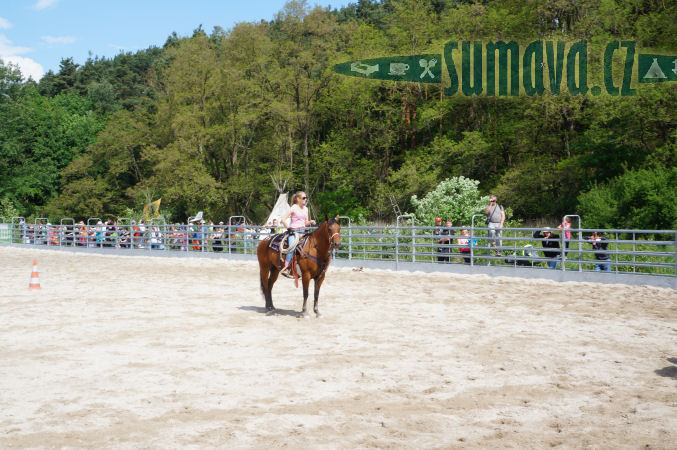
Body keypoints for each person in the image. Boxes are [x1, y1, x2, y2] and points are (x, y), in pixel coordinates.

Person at [279, 191, 316, 277]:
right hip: (294, 232)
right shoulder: (293, 208)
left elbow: (305, 222)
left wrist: (310, 221)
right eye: (303, 198)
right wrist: (289, 229)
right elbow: (283, 220)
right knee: (292, 248)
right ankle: (287, 268)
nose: (305, 199)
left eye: (306, 198)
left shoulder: (306, 209)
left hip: (303, 231)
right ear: (298, 199)